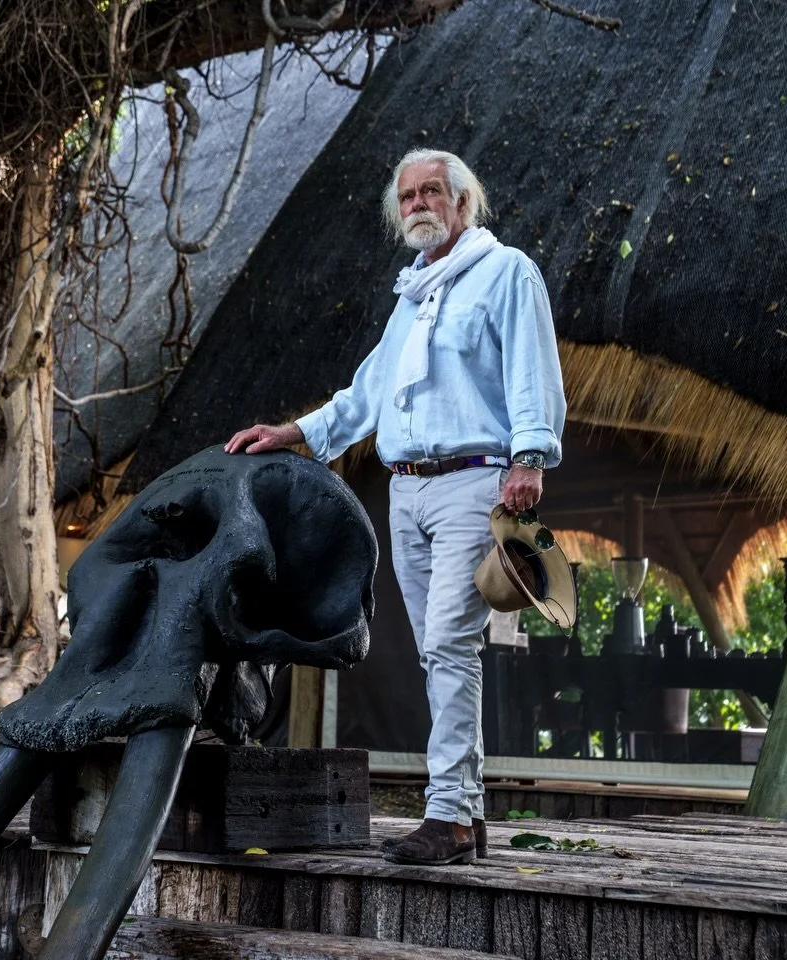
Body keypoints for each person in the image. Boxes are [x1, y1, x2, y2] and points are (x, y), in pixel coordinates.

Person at [224, 148, 566, 865]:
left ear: (462, 203)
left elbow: (534, 368)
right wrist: (293, 433)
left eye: (432, 192)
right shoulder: (411, 298)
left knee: (446, 641)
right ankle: (466, 817)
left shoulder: (505, 273)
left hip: (476, 479)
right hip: (407, 488)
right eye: (407, 195)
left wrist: (530, 456)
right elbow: (365, 396)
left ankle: (446, 814)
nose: (417, 203)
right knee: (440, 650)